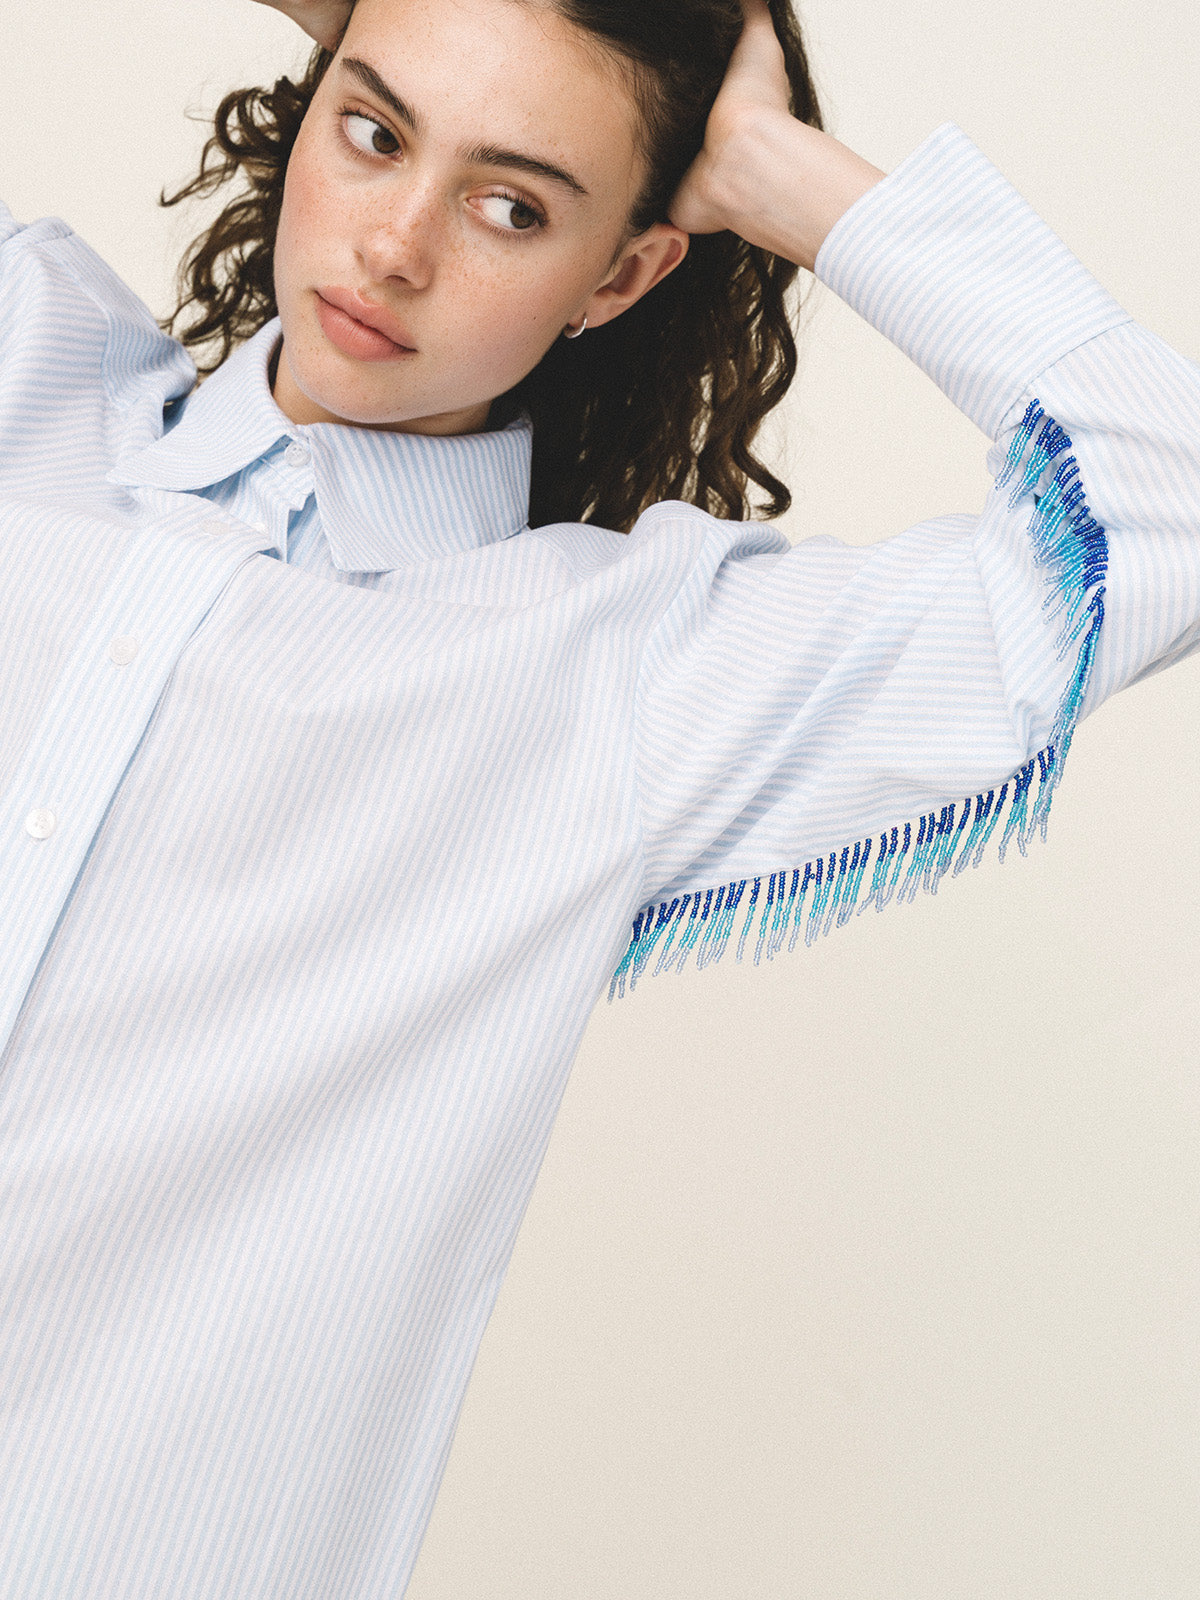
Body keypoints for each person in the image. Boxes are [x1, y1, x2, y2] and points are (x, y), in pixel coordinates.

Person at [1, 1, 1197, 1597]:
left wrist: (781, 171)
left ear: (624, 272)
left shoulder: (620, 675)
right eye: (370, 133)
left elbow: (1161, 503)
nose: (396, 245)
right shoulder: (32, 379)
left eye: (513, 204)